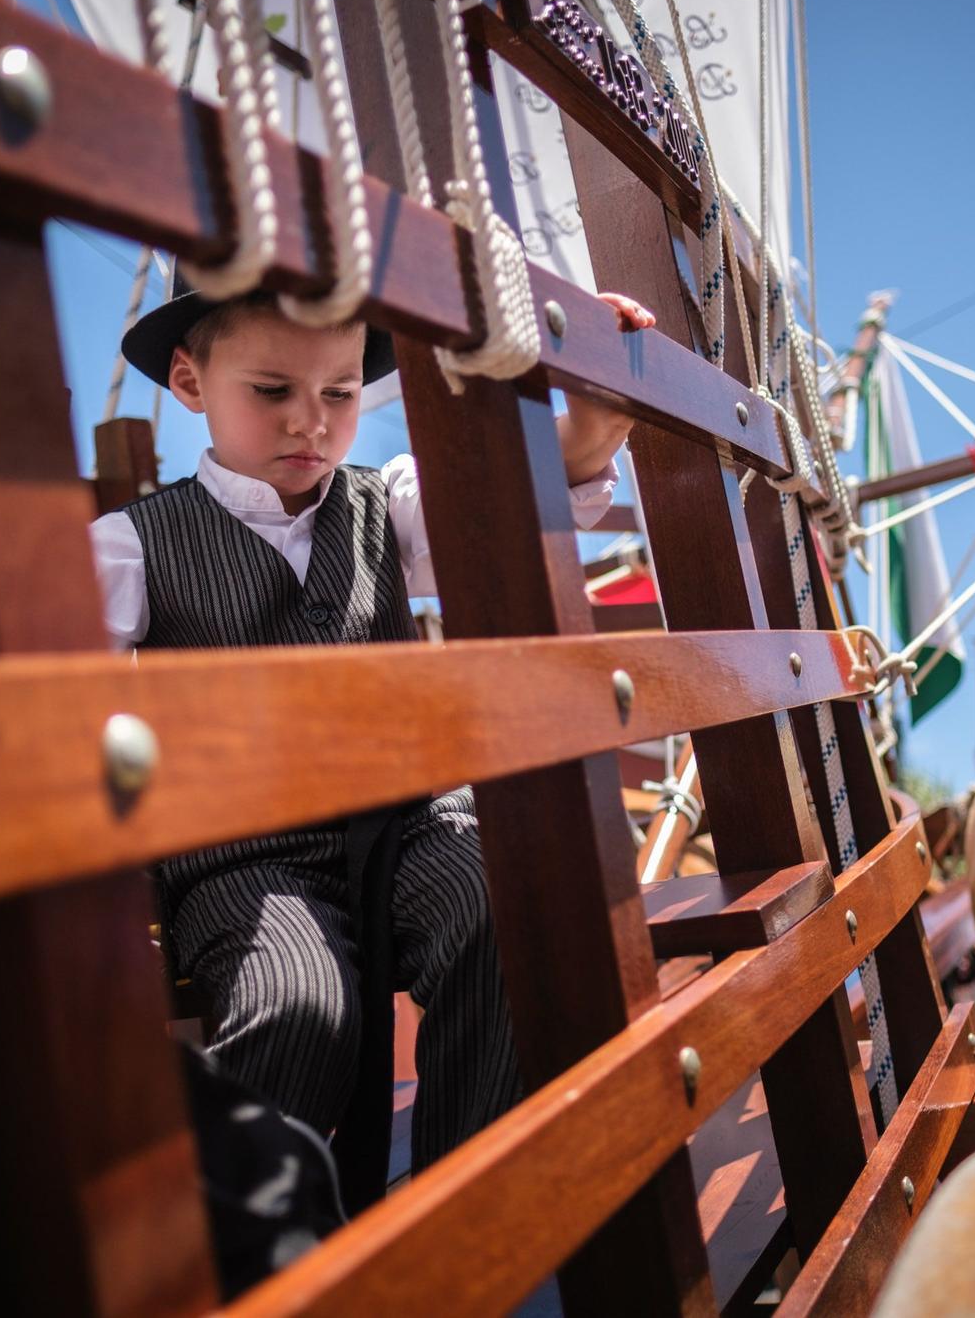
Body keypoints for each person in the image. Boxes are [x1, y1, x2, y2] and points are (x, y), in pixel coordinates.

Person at [89, 283, 655, 1172]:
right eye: (272, 392)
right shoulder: (130, 545)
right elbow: (42, 682)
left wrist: (599, 405)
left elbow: (508, 498)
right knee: (299, 1004)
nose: (309, 423)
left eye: (340, 394)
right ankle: (255, 1254)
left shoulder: (384, 505)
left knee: (509, 907)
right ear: (191, 382)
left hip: (407, 820)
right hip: (245, 852)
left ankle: (463, 1215)